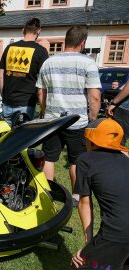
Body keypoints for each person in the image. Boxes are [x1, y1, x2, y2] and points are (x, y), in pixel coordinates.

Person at [36, 26, 101, 207]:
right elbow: (94, 96)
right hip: (77, 120)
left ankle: (49, 194)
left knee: (49, 158)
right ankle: (75, 197)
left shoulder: (48, 62)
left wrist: (44, 111)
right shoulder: (88, 63)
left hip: (52, 120)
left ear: (66, 40)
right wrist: (93, 119)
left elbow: (41, 93)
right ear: (82, 42)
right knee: (76, 160)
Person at [71, 118, 129, 269]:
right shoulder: (127, 158)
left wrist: (88, 242)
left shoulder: (85, 160)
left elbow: (84, 203)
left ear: (91, 141)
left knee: (80, 263)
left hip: (118, 232)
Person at [0, 17, 49, 123]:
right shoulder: (41, 51)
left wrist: (4, 97)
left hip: (8, 101)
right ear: (39, 31)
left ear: (23, 30)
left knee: (7, 137)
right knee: (23, 138)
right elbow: (43, 82)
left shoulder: (9, 48)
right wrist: (43, 107)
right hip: (26, 104)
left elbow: (0, 77)